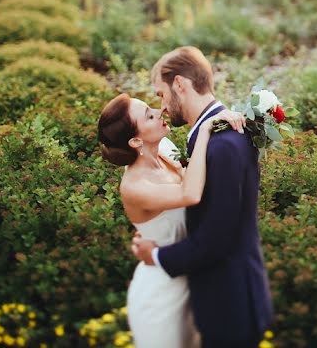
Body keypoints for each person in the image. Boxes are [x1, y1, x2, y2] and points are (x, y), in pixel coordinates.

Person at [131, 46, 274, 348]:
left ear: (180, 84)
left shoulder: (222, 144)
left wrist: (155, 255)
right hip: (223, 299)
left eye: (161, 94)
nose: (162, 106)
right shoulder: (218, 135)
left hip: (230, 305)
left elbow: (217, 237)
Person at [98, 92, 246, 348]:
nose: (159, 112)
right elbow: (190, 193)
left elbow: (198, 174)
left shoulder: (166, 150)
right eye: (149, 115)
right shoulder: (135, 186)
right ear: (135, 141)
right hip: (162, 292)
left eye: (151, 108)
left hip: (193, 273)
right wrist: (206, 129)